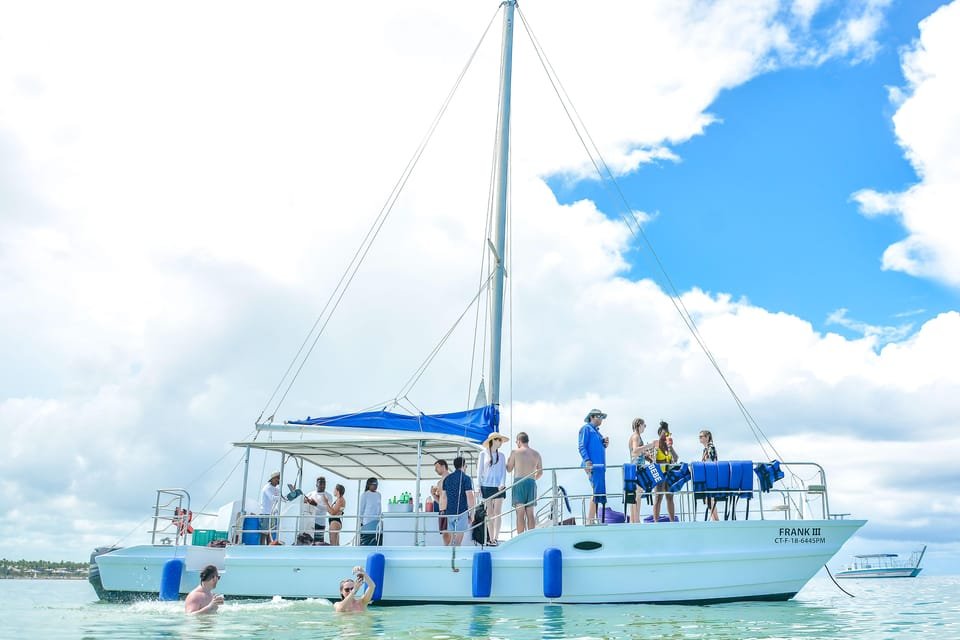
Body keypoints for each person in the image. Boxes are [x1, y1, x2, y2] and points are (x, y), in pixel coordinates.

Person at [506, 431, 542, 534]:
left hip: (519, 482)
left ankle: (520, 537)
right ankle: (531, 536)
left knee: (520, 513)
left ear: (519, 441)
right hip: (531, 482)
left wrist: (508, 460)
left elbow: (509, 469)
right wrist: (532, 479)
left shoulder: (515, 452)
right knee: (530, 513)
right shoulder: (536, 454)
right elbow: (540, 473)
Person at [578, 409, 609, 524]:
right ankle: (590, 520)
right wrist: (587, 460)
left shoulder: (597, 432)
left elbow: (597, 447)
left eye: (602, 417)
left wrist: (604, 444)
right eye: (599, 416)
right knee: (595, 491)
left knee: (598, 491)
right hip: (593, 465)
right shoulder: (586, 429)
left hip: (599, 466)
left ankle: (593, 519)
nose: (601, 419)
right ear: (592, 417)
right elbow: (582, 446)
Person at [477, 432, 509, 545]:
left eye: (501, 440)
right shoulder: (483, 454)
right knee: (489, 513)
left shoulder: (502, 456)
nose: (500, 442)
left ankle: (496, 537)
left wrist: (502, 484)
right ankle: (491, 538)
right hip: (486, 486)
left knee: (498, 512)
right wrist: (478, 486)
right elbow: (479, 471)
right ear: (493, 441)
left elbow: (503, 472)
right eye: (498, 440)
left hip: (498, 486)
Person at [441, 456, 475, 546]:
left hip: (449, 512)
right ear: (463, 465)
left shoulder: (447, 479)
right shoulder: (466, 478)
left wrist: (443, 511)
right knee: (457, 541)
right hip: (461, 512)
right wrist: (472, 513)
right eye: (466, 466)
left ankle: (450, 552)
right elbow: (470, 497)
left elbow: (444, 497)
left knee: (452, 539)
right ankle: (453, 553)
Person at [627, 418, 653, 524]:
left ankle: (634, 520)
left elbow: (638, 452)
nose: (645, 427)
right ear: (639, 425)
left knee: (637, 494)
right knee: (637, 494)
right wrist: (650, 445)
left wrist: (646, 455)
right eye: (644, 425)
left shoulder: (637, 436)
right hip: (637, 468)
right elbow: (635, 451)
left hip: (637, 467)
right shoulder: (636, 436)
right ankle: (636, 520)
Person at [652, 422, 679, 523]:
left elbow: (676, 458)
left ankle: (672, 521)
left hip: (669, 474)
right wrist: (654, 452)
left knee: (670, 497)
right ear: (660, 433)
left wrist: (670, 447)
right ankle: (656, 522)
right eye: (664, 434)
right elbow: (653, 460)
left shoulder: (668, 445)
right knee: (658, 497)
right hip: (660, 474)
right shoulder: (656, 444)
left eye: (668, 434)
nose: (666, 436)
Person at [304, 476, 332, 543]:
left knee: (319, 543)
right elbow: (303, 503)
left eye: (324, 483)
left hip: (320, 523)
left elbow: (328, 509)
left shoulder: (328, 495)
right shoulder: (310, 494)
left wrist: (316, 504)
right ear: (316, 484)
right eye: (320, 483)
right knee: (308, 542)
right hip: (309, 522)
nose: (322, 485)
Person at [699, 429, 719, 521]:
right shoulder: (706, 449)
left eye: (701, 436)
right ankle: (714, 519)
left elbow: (712, 461)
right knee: (708, 498)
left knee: (710, 498)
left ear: (707, 437)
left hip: (711, 475)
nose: (700, 438)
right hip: (708, 474)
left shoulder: (711, 447)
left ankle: (716, 519)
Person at [431, 459, 451, 545]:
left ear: (443, 466)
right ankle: (446, 548)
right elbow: (440, 501)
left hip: (449, 509)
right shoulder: (439, 482)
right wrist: (433, 495)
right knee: (444, 533)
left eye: (437, 467)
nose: (435, 470)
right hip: (442, 510)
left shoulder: (450, 479)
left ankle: (451, 548)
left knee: (449, 531)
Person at [358, 477, 382, 546]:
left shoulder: (379, 494)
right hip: (367, 522)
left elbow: (379, 508)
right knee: (366, 542)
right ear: (369, 484)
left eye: (377, 484)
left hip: (376, 522)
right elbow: (361, 510)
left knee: (376, 541)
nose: (376, 485)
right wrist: (361, 523)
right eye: (374, 483)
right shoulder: (365, 495)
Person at [259, 471, 281, 544]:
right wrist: (281, 498)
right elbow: (272, 498)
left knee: (270, 533)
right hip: (265, 513)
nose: (278, 480)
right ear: (272, 479)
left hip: (272, 514)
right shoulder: (267, 487)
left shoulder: (276, 489)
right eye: (277, 478)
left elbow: (280, 497)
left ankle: (269, 546)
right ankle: (262, 547)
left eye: (279, 478)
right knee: (264, 533)